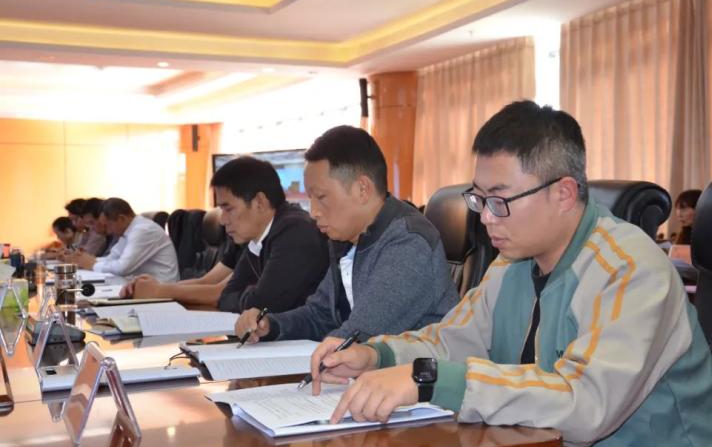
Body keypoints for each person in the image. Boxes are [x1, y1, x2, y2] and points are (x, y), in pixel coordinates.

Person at [312, 102, 712, 447]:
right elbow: (453, 340)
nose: (485, 217)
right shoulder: (512, 263)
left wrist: (431, 380)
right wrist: (378, 356)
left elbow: (585, 405)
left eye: (499, 200)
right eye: (479, 199)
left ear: (563, 194)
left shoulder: (629, 269)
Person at [235, 126, 459, 343]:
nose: (313, 212)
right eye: (310, 199)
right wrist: (271, 325)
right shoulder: (347, 240)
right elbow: (319, 315)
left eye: (321, 197)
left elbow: (359, 336)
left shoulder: (408, 243)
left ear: (362, 189)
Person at [124, 156, 326, 312]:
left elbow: (258, 304)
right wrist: (156, 290)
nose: (222, 220)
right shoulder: (258, 238)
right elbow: (228, 293)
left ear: (259, 202)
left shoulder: (295, 232)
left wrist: (159, 291)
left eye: (228, 208)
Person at [67, 198, 180, 281]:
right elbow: (112, 257)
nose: (108, 231)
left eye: (108, 225)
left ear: (121, 219)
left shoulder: (143, 230)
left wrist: (92, 264)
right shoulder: (129, 230)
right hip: (144, 286)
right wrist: (84, 260)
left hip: (162, 290)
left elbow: (122, 268)